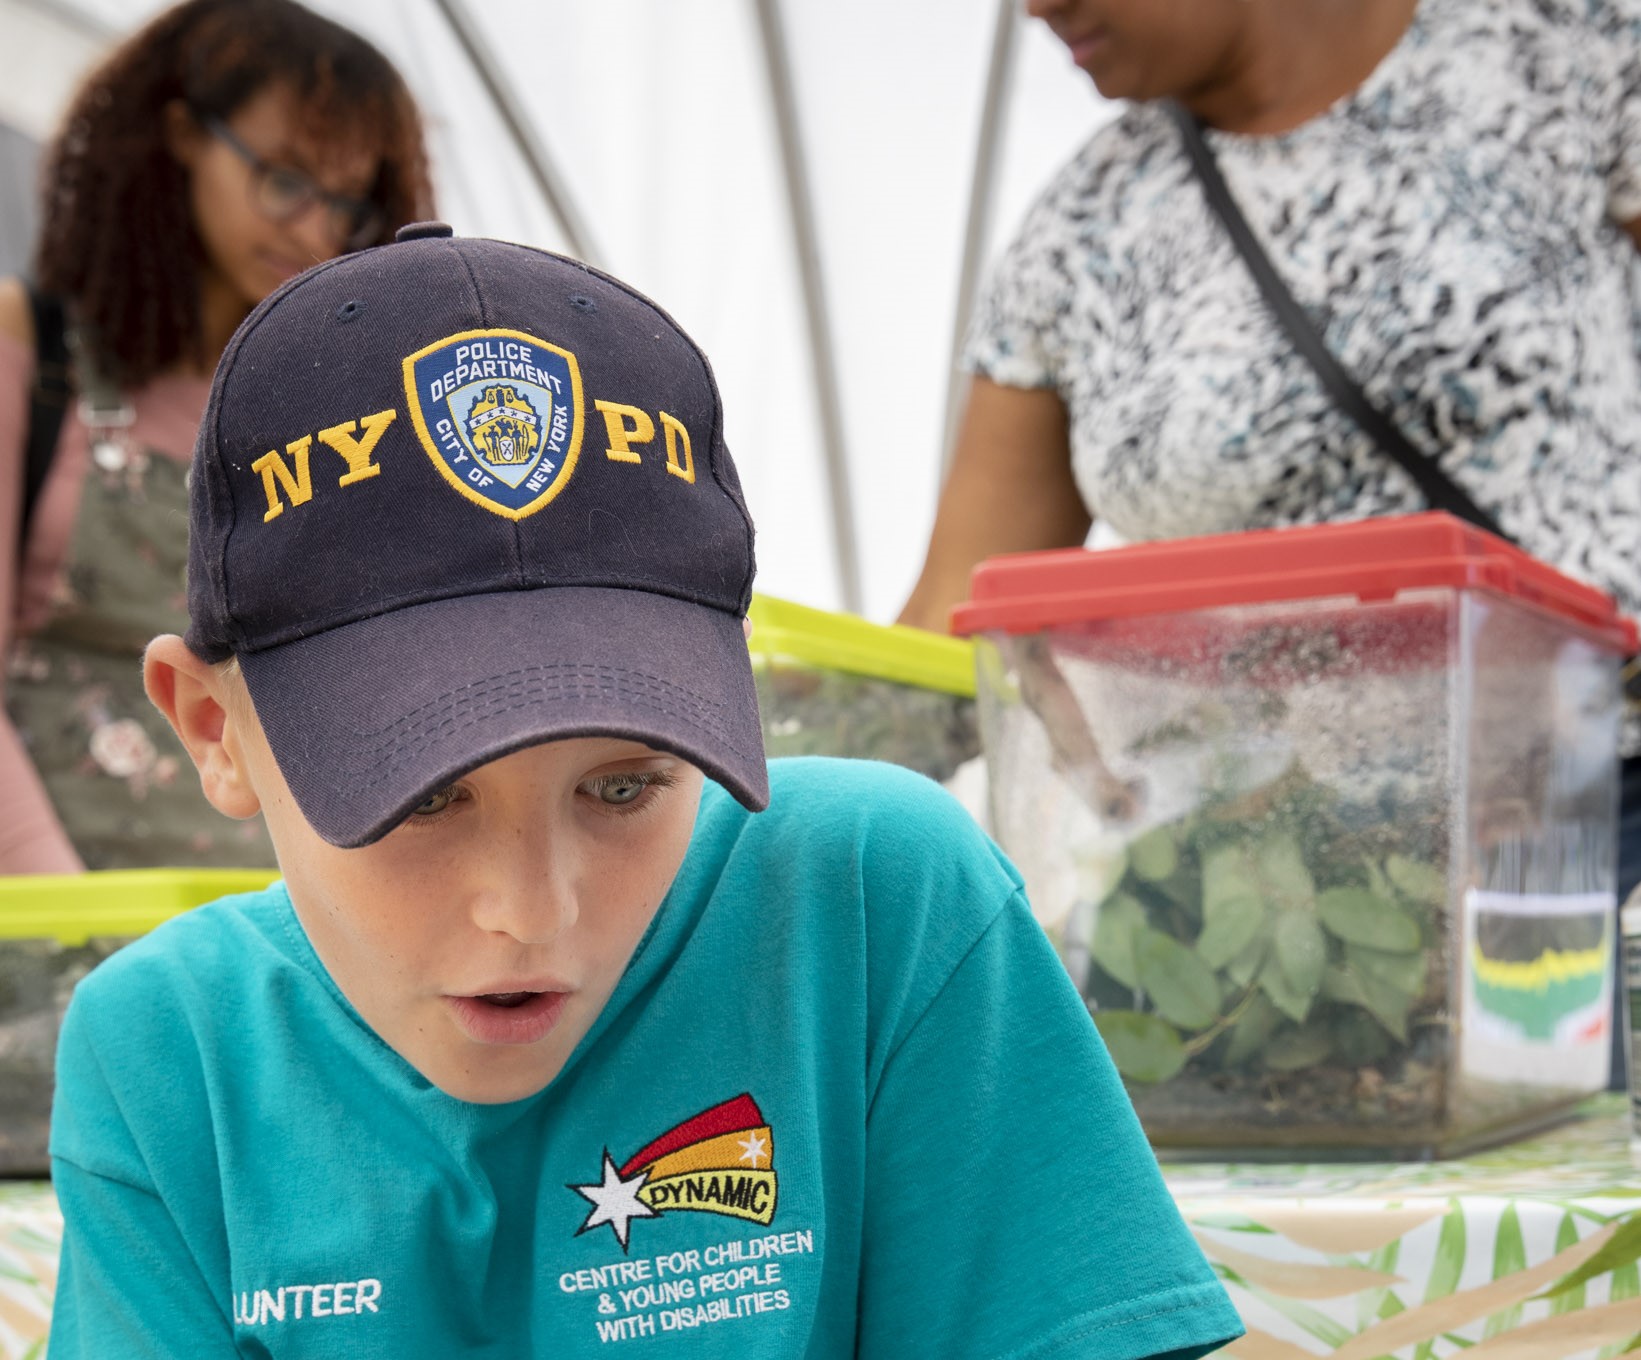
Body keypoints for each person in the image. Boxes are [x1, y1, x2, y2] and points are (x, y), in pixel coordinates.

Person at [45, 225, 1244, 1358]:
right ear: (213, 727)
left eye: (624, 786)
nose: (532, 908)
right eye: (419, 798)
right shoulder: (169, 1055)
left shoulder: (874, 908)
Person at [898, 0, 1641, 1069]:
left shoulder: (1566, 57)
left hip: (1572, 832)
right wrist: (743, 813)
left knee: (1553, 1191)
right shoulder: (1080, 232)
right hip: (1243, 880)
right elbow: (944, 629)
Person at [0, 0, 432, 873]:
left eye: (348, 204)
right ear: (179, 136)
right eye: (285, 178)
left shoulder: (333, 411)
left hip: (271, 928)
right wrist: (72, 932)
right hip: (53, 923)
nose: (313, 229)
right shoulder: (33, 352)